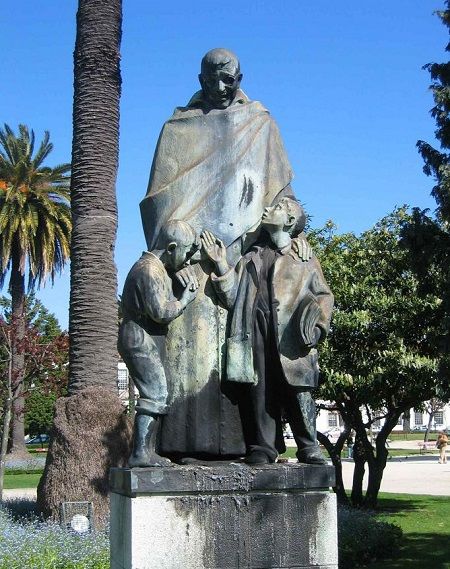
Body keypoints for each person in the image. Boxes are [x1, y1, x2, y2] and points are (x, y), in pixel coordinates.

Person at [137, 48, 305, 459]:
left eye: (228, 79)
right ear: (199, 79)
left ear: (241, 76)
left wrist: (296, 229)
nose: (220, 87)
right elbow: (159, 199)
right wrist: (179, 249)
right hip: (191, 262)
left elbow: (282, 197)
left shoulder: (260, 124)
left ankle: (252, 446)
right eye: (211, 79)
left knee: (244, 353)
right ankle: (182, 447)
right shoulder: (177, 128)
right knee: (191, 358)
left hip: (242, 261)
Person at [202, 197, 334, 464]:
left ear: (289, 222)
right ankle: (263, 447)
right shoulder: (251, 256)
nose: (267, 209)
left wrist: (318, 326)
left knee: (297, 389)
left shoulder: (303, 257)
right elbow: (233, 297)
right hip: (255, 331)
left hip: (291, 336)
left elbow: (324, 295)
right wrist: (220, 265)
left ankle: (308, 445)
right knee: (259, 389)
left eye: (277, 208)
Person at [118, 220, 200, 467]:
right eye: (185, 252)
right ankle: (140, 454)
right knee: (156, 393)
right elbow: (160, 312)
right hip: (138, 339)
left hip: (144, 338)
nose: (187, 259)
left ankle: (145, 452)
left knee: (156, 393)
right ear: (172, 247)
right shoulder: (149, 270)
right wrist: (185, 300)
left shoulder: (158, 268)